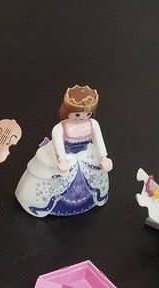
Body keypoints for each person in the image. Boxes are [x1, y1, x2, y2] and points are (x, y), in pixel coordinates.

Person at [15, 85, 112, 217]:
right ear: (67, 111)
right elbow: (59, 146)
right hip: (66, 157)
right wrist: (62, 160)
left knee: (93, 176)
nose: (82, 117)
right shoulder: (60, 128)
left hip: (85, 155)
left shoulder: (93, 124)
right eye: (77, 114)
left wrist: (104, 156)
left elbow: (99, 141)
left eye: (88, 114)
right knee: (56, 179)